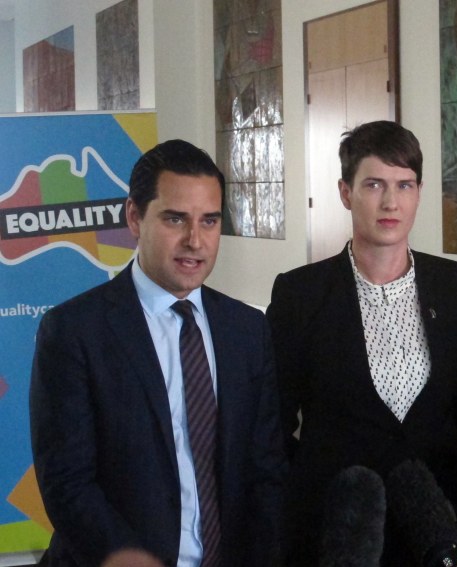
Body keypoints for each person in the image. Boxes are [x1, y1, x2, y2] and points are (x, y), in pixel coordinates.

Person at [30, 139, 287, 567]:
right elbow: (68, 486)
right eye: (175, 219)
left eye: (209, 221)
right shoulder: (74, 332)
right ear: (134, 216)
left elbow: (266, 471)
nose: (195, 241)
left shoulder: (247, 331)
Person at [267, 121, 457, 566]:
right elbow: (274, 420)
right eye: (374, 184)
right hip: (339, 529)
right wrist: (315, 487)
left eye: (404, 185)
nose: (391, 202)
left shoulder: (455, 286)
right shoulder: (301, 294)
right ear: (345, 192)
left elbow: (456, 410)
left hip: (435, 525)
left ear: (419, 192)